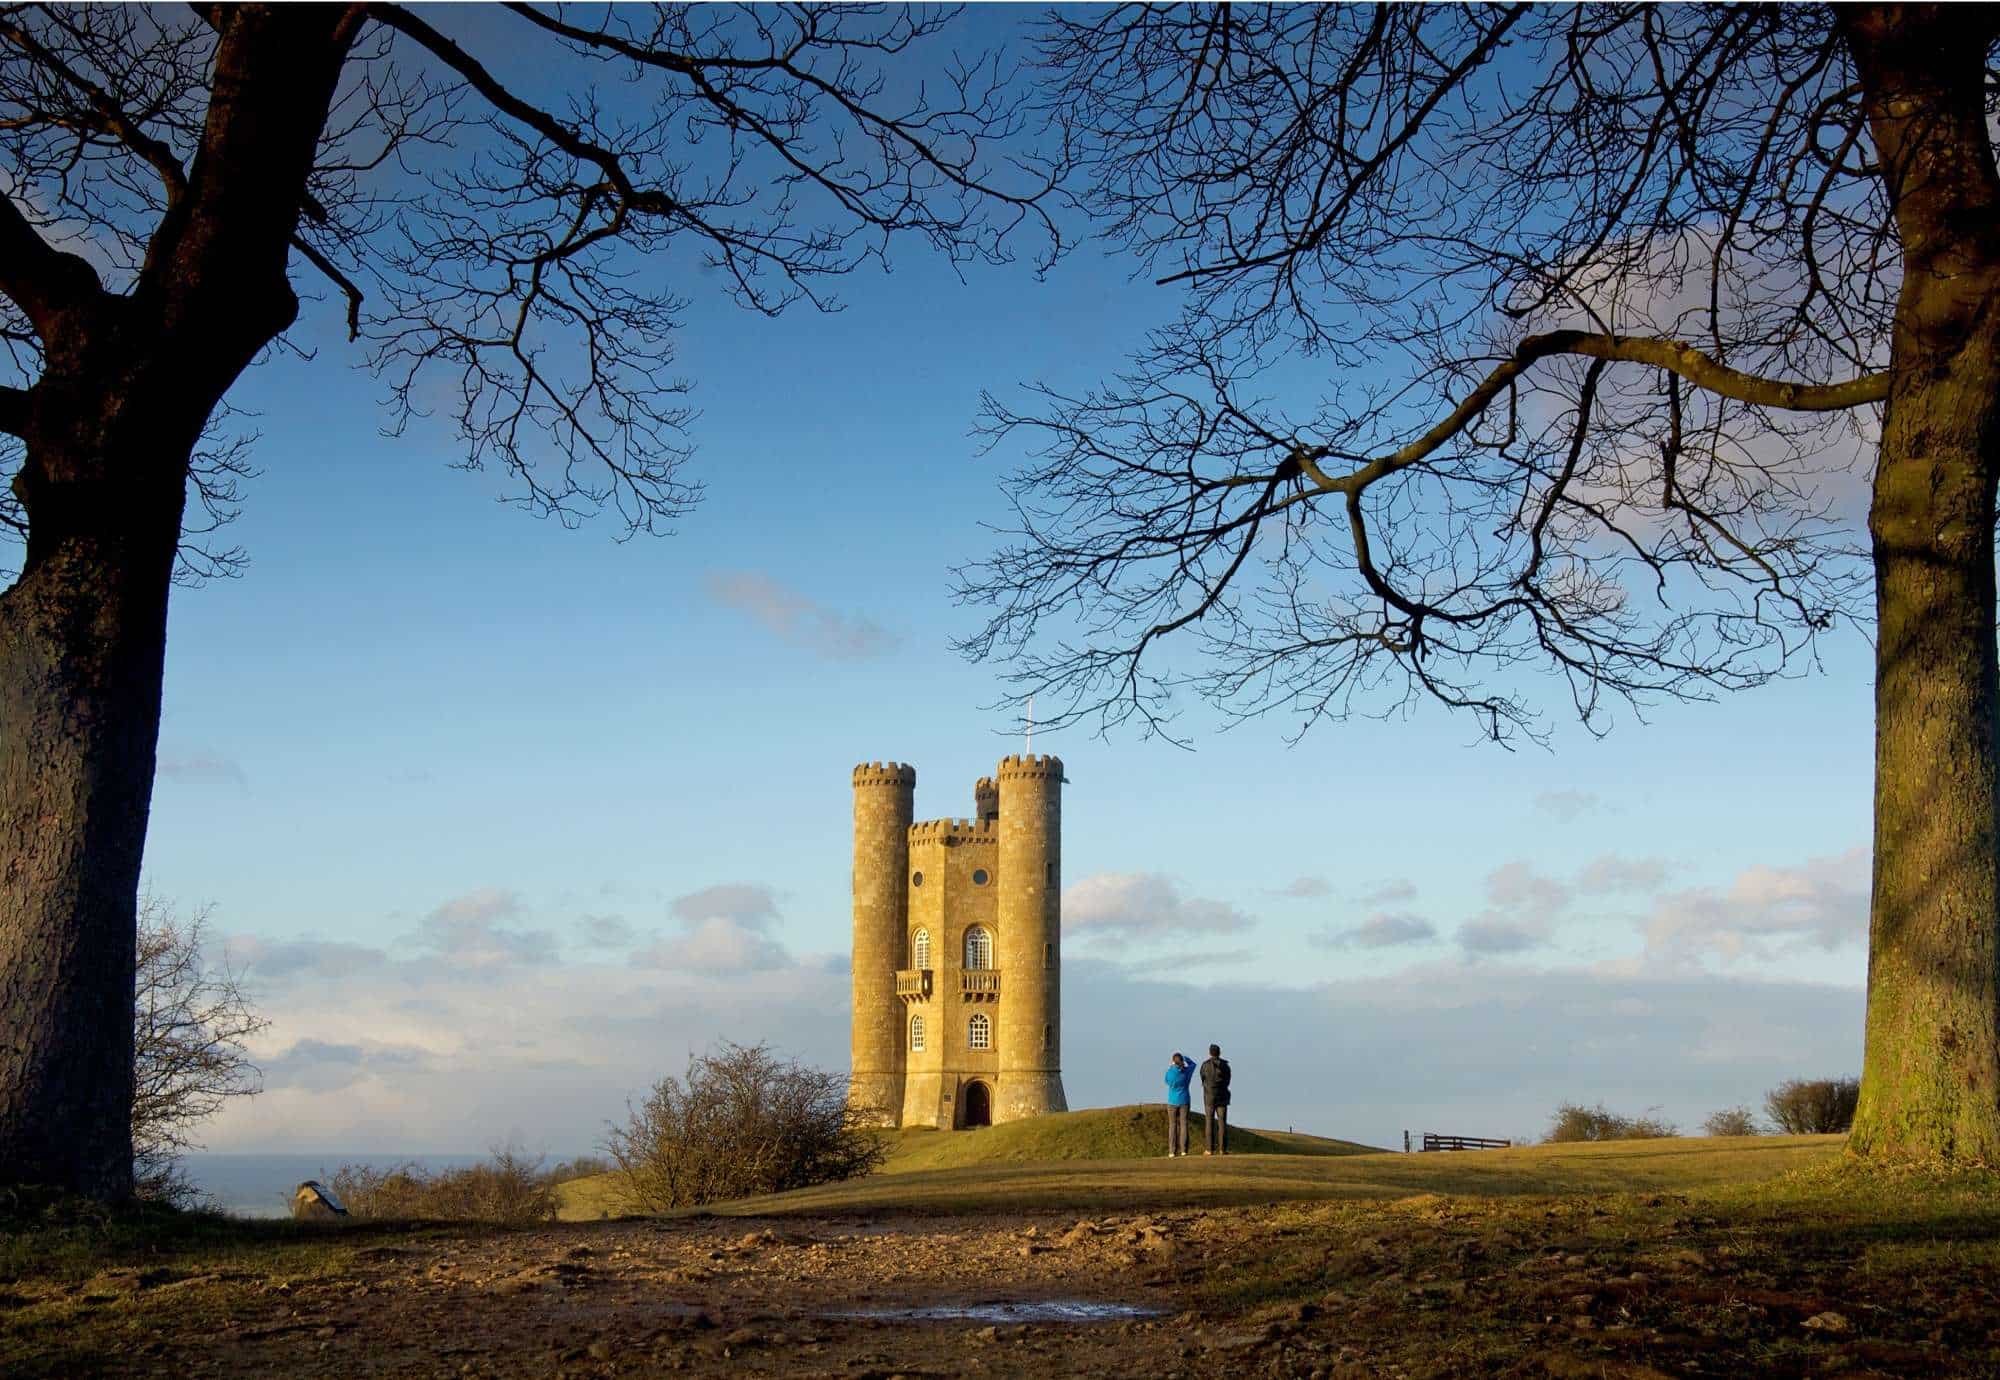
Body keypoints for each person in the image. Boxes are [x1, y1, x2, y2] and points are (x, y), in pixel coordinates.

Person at [1199, 1043, 1232, 1155]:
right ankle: (1223, 1149)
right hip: (1222, 1096)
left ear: (1209, 1052)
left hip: (1209, 1097)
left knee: (1209, 1122)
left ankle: (1209, 1149)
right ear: (1219, 1052)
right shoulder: (1225, 1065)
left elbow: (1202, 1079)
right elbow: (1228, 1080)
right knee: (1222, 1123)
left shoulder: (1205, 1065)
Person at [1163, 1052, 1193, 1157]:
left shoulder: (1170, 1072)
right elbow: (1193, 1064)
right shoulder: (1187, 1071)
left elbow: (1166, 1081)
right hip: (1184, 1100)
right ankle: (1184, 1150)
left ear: (1173, 1061)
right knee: (1184, 1125)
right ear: (1181, 1061)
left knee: (1172, 1126)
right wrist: (1185, 1058)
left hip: (1172, 1101)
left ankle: (1172, 1151)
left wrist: (1172, 1065)